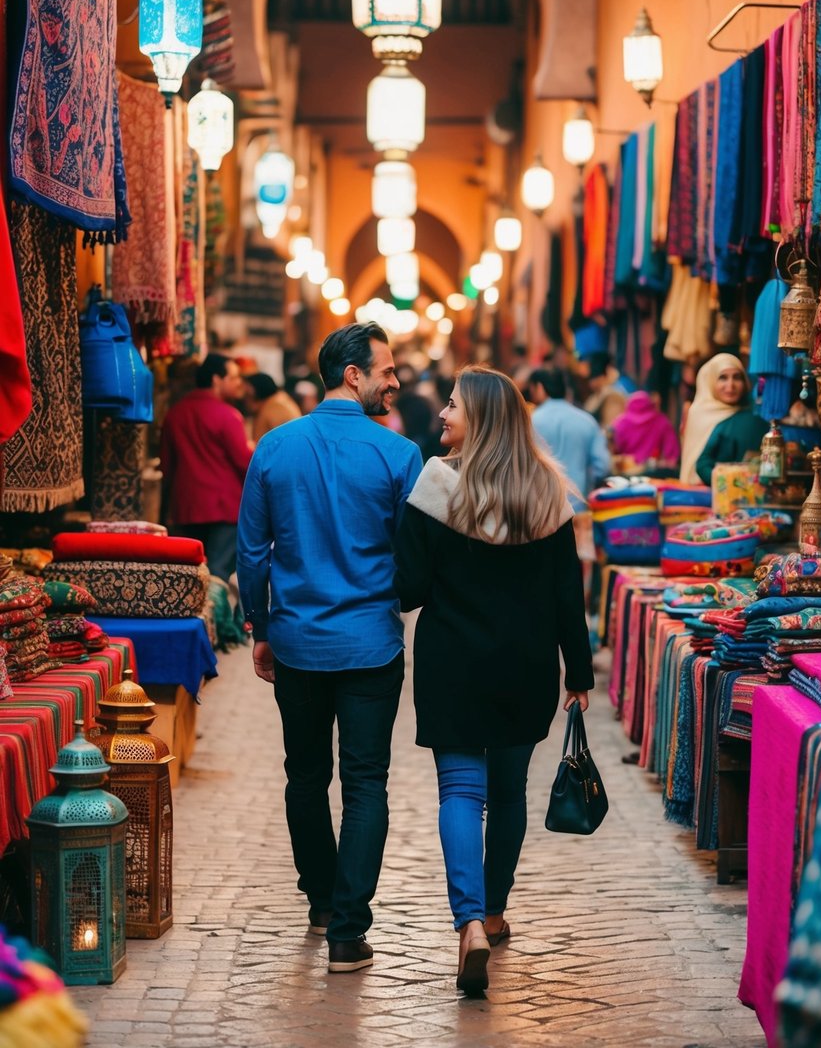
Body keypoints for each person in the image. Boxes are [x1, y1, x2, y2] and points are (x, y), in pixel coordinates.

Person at [394, 367, 594, 995]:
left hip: (453, 663)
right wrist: (579, 673)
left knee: (461, 790)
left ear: (477, 418)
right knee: (508, 793)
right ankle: (498, 909)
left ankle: (469, 922)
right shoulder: (548, 493)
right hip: (527, 666)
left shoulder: (435, 483)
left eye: (452, 405)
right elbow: (570, 597)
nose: (444, 414)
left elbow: (410, 589)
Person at [236, 323, 422, 974]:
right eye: (386, 369)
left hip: (297, 641)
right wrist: (394, 598)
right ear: (353, 374)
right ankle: (347, 930)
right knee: (366, 782)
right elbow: (412, 552)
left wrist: (260, 628)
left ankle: (319, 900)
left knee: (305, 776)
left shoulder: (274, 447)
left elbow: (251, 552)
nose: (394, 379)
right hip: (370, 641)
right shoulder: (399, 455)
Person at [160, 353, 252, 581]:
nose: (238, 383)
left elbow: (167, 466)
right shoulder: (228, 415)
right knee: (217, 574)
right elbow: (245, 462)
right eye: (233, 377)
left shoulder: (175, 413)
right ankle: (215, 616)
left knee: (190, 573)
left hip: (186, 507)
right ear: (216, 379)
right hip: (223, 507)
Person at [527, 369, 610, 507]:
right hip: (579, 508)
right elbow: (602, 465)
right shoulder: (586, 421)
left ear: (540, 388)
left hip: (541, 512)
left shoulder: (529, 422)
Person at [679, 353, 751, 485]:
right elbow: (699, 464)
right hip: (700, 492)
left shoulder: (750, 416)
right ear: (710, 380)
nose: (730, 385)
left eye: (737, 377)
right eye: (723, 378)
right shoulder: (698, 413)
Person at [610, 390, 681, 470]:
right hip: (654, 473)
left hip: (626, 472)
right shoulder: (662, 421)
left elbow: (613, 450)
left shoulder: (620, 423)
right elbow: (672, 456)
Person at [244, 372, 301, 443]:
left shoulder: (274, 407)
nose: (245, 401)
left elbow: (260, 444)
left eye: (247, 396)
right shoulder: (280, 399)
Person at [582, 352, 634, 428]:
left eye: (593, 375)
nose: (590, 382)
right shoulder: (595, 396)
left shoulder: (613, 395)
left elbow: (612, 429)